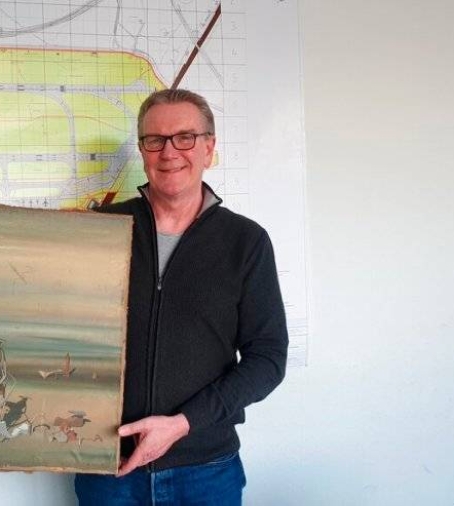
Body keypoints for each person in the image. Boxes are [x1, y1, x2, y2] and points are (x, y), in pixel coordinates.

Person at [72, 88, 289, 505]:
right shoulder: (100, 231)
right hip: (108, 471)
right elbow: (43, 306)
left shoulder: (245, 242)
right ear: (143, 150)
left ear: (209, 147)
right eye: (155, 140)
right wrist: (2, 238)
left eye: (185, 137)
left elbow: (268, 359)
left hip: (206, 472)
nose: (169, 151)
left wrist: (184, 423)